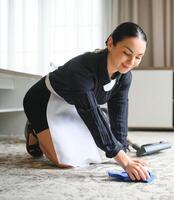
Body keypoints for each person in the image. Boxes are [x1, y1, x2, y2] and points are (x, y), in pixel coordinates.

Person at [23, 22, 150, 181]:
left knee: (93, 156)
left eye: (138, 57)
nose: (131, 62)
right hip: (44, 100)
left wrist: (122, 151)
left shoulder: (125, 76)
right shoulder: (83, 68)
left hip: (75, 106)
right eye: (126, 53)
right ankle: (34, 129)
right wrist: (124, 161)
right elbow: (91, 114)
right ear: (110, 43)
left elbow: (119, 113)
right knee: (65, 161)